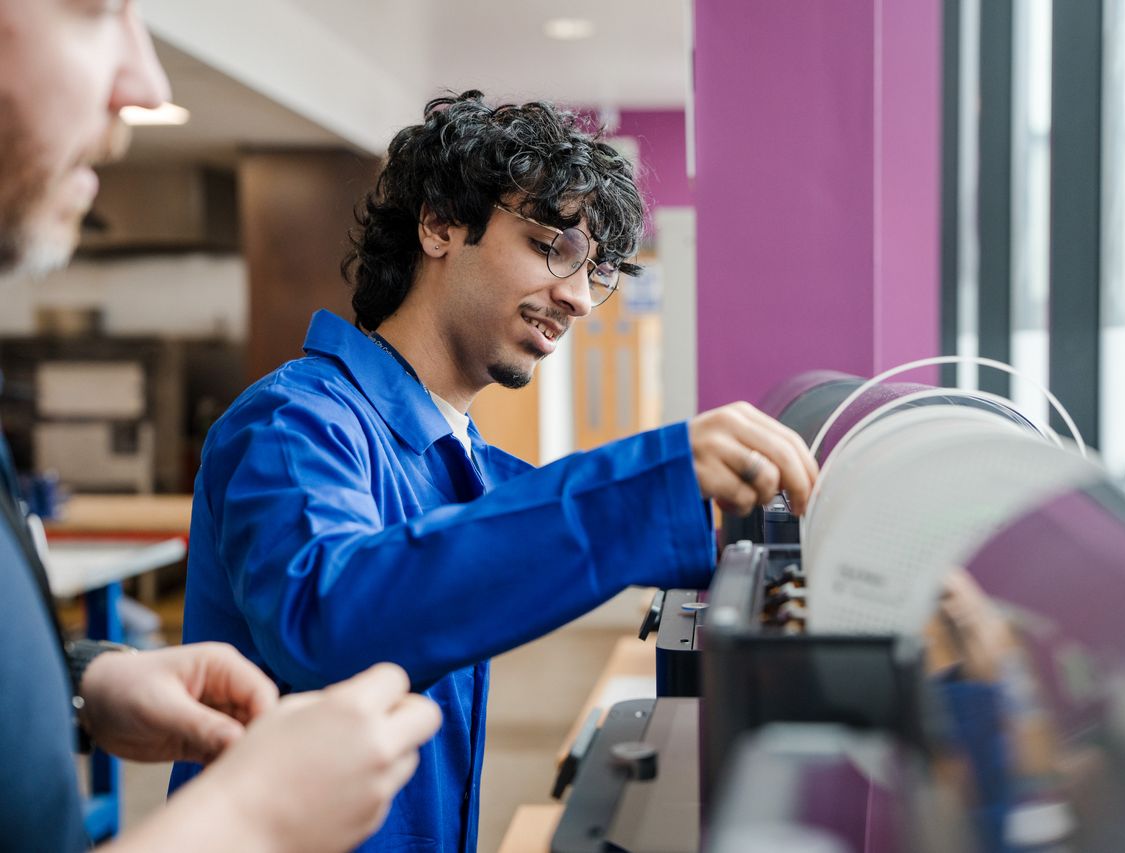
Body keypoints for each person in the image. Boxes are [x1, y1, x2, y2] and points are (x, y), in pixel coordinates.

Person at [172, 90, 820, 851]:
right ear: (440, 223)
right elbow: (332, 613)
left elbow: (528, 523)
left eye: (596, 270)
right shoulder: (293, 423)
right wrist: (659, 478)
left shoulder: (455, 455)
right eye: (554, 247)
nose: (579, 298)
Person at [0, 2, 441, 851]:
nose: (147, 80)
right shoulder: (291, 417)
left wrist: (82, 683)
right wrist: (252, 819)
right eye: (91, 8)